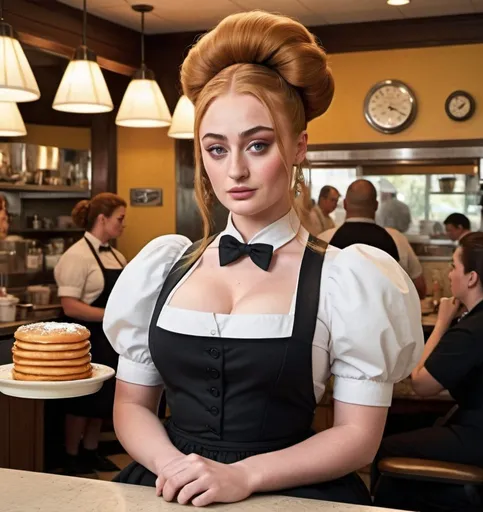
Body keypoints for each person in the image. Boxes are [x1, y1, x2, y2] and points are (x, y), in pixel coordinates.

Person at [103, 11, 423, 507]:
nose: (234, 169)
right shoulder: (162, 268)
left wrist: (244, 477)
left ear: (298, 148)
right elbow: (130, 405)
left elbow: (358, 436)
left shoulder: (346, 278)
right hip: (168, 486)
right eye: (215, 148)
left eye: (258, 144)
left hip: (292, 490)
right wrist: (175, 469)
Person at [372, 232, 483, 512]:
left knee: (384, 446)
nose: (449, 274)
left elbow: (421, 384)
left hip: (482, 437)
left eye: (453, 266)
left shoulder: (474, 330)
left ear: (471, 278)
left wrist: (442, 322)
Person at [54, 192, 127, 475]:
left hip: (108, 337)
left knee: (102, 397)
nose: (123, 225)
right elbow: (70, 306)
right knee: (81, 401)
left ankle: (91, 452)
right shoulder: (77, 256)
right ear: (102, 218)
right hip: (83, 339)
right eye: (120, 219)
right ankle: (71, 456)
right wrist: (113, 315)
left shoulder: (118, 255)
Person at [319, 180, 427, 299]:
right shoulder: (397, 239)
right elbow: (420, 288)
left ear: (344, 204)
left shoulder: (324, 240)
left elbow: (311, 287)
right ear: (376, 205)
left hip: (336, 316)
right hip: (387, 317)